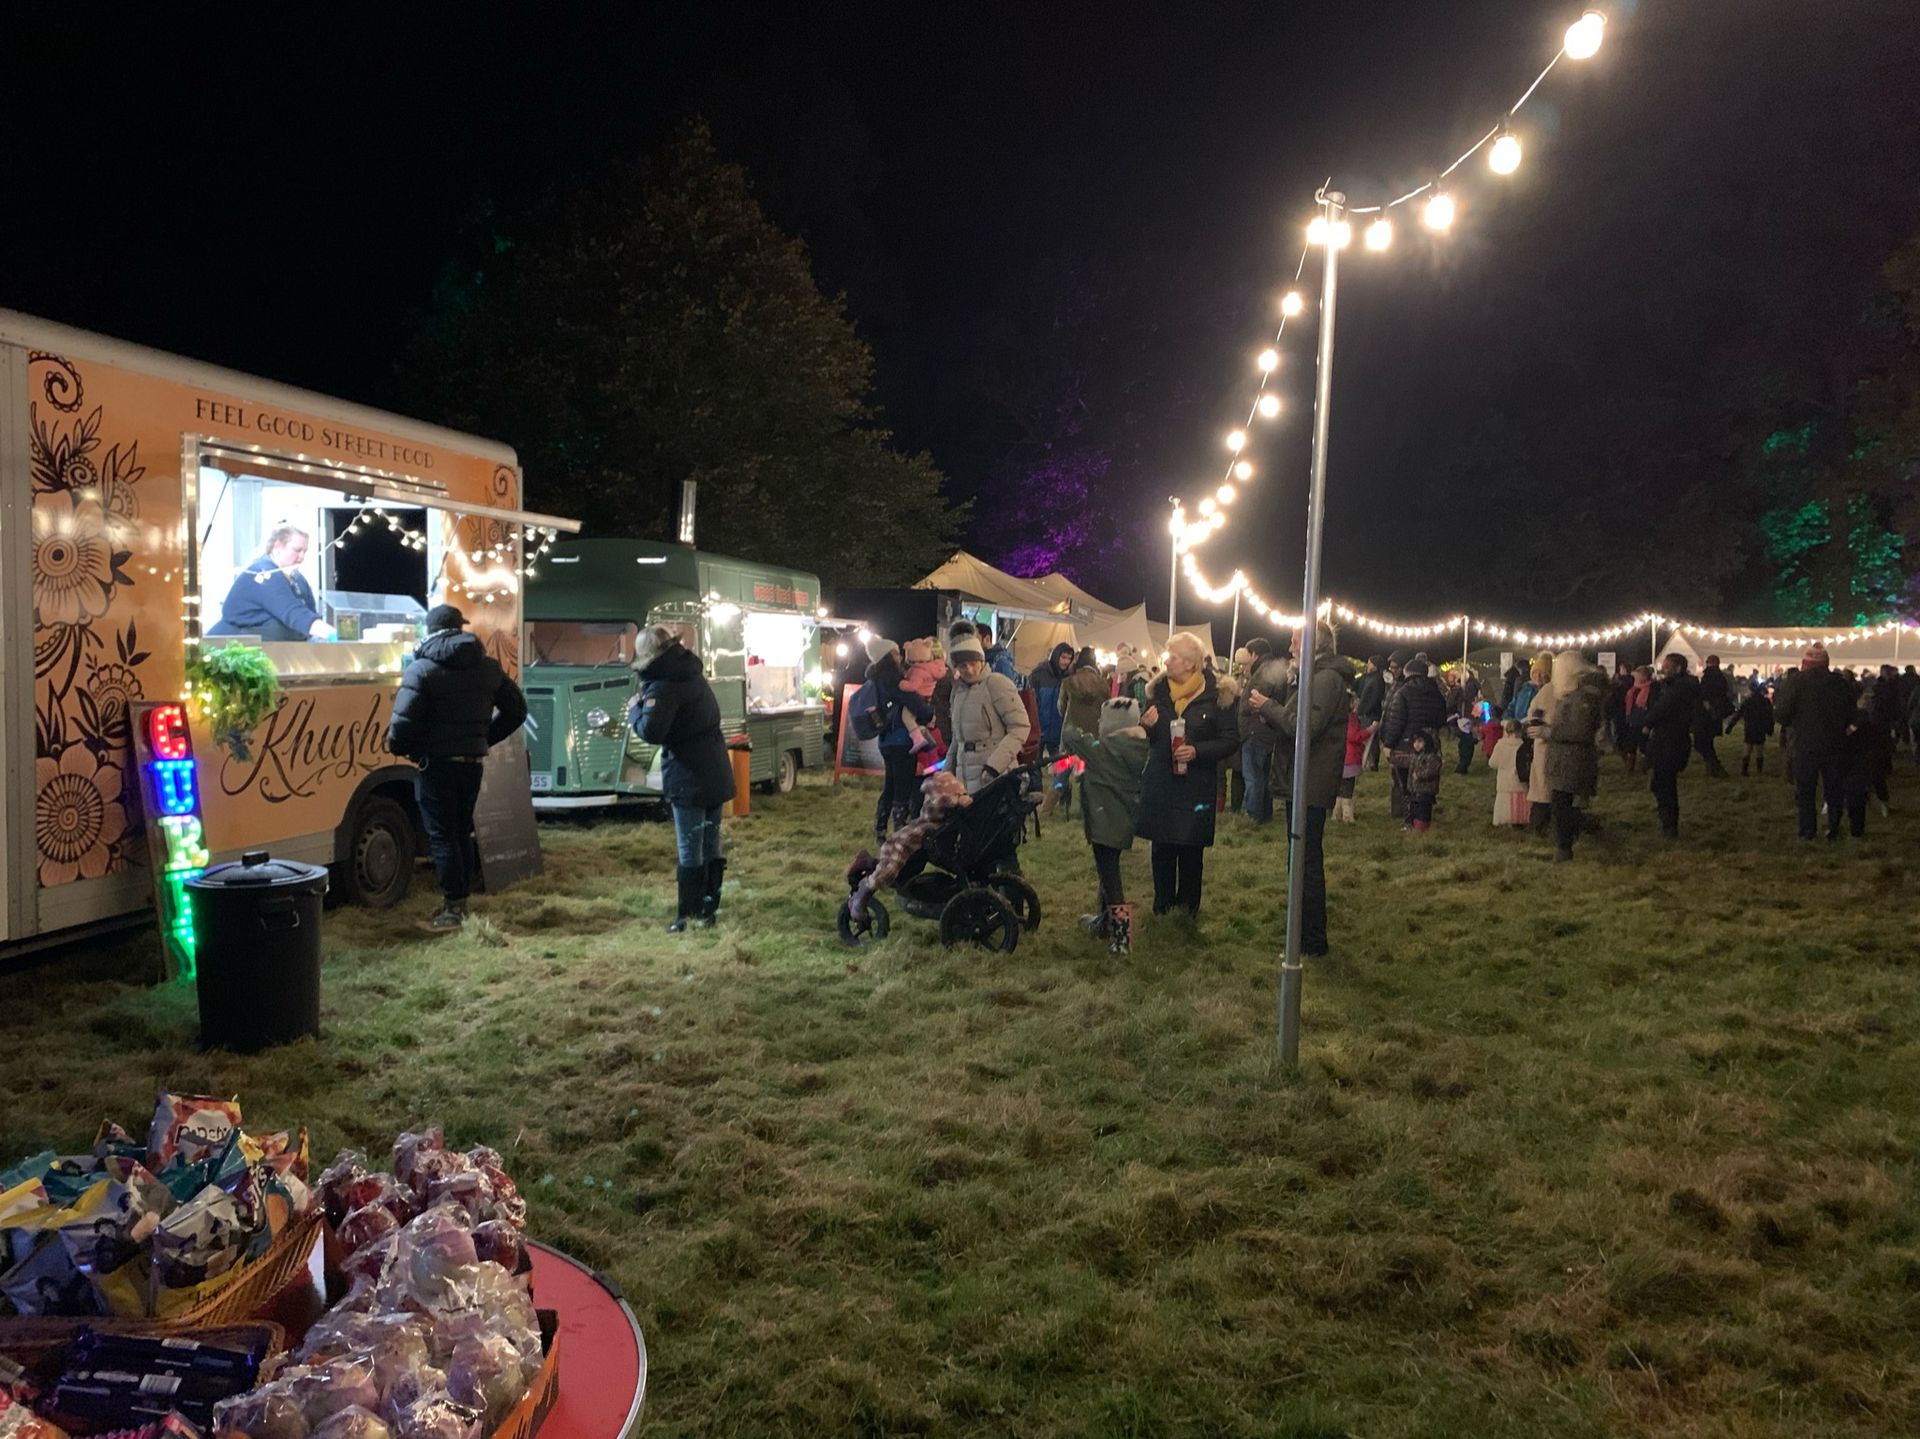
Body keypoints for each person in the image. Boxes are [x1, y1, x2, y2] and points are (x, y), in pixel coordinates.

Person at [387, 604, 529, 932]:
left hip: (435, 764)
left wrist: (408, 749)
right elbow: (517, 710)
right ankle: (460, 901)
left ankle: (453, 909)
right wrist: (481, 739)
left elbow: (402, 728)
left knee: (442, 836)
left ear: (430, 630)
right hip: (471, 764)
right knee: (461, 830)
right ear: (459, 628)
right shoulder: (489, 667)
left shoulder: (422, 669)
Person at [624, 622, 735, 931]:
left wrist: (635, 710)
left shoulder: (663, 685)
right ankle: (708, 911)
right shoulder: (693, 675)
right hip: (715, 770)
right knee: (711, 844)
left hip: (689, 775)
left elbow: (652, 731)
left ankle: (688, 916)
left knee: (690, 848)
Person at [1256, 622, 1349, 956]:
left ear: (1314, 645)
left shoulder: (1324, 680)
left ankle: (1309, 941)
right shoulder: (1318, 677)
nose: (1290, 647)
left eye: (1295, 641)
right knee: (1301, 861)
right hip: (1306, 780)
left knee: (1305, 864)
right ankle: (1303, 936)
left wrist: (1267, 707)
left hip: (1309, 782)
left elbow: (1303, 727)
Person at [1137, 633, 1239, 918]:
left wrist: (1197, 751)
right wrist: (1144, 725)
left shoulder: (1219, 695)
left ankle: (1188, 909)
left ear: (1191, 664)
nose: (1167, 661)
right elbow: (1147, 734)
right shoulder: (1157, 692)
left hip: (1196, 785)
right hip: (1162, 782)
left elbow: (1231, 739)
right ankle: (1162, 906)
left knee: (1191, 849)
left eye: (1174, 657)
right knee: (1162, 847)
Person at [1065, 697, 1152, 954]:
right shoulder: (1140, 746)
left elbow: (1070, 735)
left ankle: (1122, 938)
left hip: (1106, 820)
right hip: (1122, 817)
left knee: (1111, 879)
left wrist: (1073, 704)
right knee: (1107, 873)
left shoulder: (1104, 748)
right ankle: (1104, 922)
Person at [846, 771, 973, 924]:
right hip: (900, 846)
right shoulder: (923, 830)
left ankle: (868, 862)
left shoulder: (936, 826)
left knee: (904, 876)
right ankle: (862, 894)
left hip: (914, 851)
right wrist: (962, 800)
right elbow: (947, 800)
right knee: (889, 873)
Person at [1775, 644, 1858, 841]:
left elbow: (1782, 714)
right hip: (1835, 744)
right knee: (1834, 790)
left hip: (1806, 744)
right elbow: (1852, 715)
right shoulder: (1840, 683)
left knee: (1805, 791)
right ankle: (1833, 829)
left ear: (1806, 663)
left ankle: (1807, 831)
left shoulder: (1796, 682)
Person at [1531, 650, 1607, 861]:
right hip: (1565, 758)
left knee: (1563, 806)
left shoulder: (1584, 696)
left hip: (1572, 759)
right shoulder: (1574, 694)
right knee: (1562, 804)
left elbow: (1580, 730)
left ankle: (1565, 847)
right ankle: (1568, 842)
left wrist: (1549, 731)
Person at [206, 524, 336, 642]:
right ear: (277, 546)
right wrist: (334, 635)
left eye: (304, 551)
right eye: (297, 550)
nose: (301, 557)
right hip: (233, 651)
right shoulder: (262, 574)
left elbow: (309, 612)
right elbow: (294, 613)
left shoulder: (298, 579)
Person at [945, 632, 1031, 797]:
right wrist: (946, 773)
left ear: (982, 661)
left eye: (972, 663)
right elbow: (958, 739)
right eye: (963, 666)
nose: (969, 670)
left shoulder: (997, 684)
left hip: (995, 773)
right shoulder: (958, 692)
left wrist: (994, 766)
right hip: (964, 774)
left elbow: (1020, 727)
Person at [864, 636, 930, 845]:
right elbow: (919, 707)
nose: (898, 656)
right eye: (894, 653)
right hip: (902, 740)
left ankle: (881, 829)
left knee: (890, 785)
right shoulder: (895, 681)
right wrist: (930, 711)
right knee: (903, 787)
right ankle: (900, 833)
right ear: (886, 657)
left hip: (885, 741)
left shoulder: (873, 680)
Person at [1378, 656, 1448, 818]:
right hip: (1429, 744)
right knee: (1425, 782)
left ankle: (1405, 815)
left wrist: (1388, 744)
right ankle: (1423, 816)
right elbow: (1441, 719)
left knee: (1403, 783)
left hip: (1405, 745)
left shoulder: (1403, 692)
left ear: (1407, 673)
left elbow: (1396, 721)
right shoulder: (1436, 693)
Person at [1638, 652, 1699, 838]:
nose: (1663, 669)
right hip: (1671, 740)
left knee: (1664, 784)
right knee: (1662, 783)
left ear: (1677, 668)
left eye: (1666, 666)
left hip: (1670, 741)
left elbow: (1661, 709)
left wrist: (1648, 722)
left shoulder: (1678, 689)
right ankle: (1667, 822)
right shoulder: (1677, 687)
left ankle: (1669, 825)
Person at [1235, 638, 1287, 823]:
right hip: (1267, 731)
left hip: (1256, 731)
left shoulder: (1264, 672)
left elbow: (1255, 700)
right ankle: (1265, 814)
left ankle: (1253, 815)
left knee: (1254, 777)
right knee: (1263, 776)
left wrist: (1246, 705)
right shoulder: (1271, 668)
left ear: (1254, 654)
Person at [1843, 699, 1893, 835]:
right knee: (1877, 782)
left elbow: (1848, 738)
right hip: (1875, 761)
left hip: (1860, 762)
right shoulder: (1875, 726)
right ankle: (1883, 804)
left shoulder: (1853, 727)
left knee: (1857, 788)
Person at [1521, 654, 1556, 831]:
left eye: (1542, 673)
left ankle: (1539, 825)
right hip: (1534, 740)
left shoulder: (1549, 691)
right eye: (1536, 673)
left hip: (1543, 744)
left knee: (1543, 787)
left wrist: (1532, 723)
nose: (1539, 677)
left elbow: (1536, 714)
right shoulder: (1527, 689)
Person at [1029, 641, 1075, 759]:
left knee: (1060, 767)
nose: (1066, 661)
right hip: (1038, 729)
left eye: (1069, 658)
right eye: (1063, 657)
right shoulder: (1039, 674)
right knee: (1034, 766)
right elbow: (1031, 701)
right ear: (1056, 655)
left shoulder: (1069, 678)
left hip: (1058, 731)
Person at [1693, 653, 1732, 777]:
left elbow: (1704, 693)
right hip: (1715, 714)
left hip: (1705, 714)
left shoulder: (1709, 675)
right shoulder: (1721, 677)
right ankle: (1711, 768)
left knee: (1701, 742)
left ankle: (1714, 767)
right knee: (1708, 742)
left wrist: (1706, 704)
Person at [1338, 695, 1375, 824]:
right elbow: (1355, 736)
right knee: (1348, 789)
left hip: (1341, 759)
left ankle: (1337, 812)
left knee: (1340, 788)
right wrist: (1370, 730)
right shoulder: (1351, 719)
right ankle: (1347, 816)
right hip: (1350, 760)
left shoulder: (1338, 718)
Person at [1490, 719, 1529, 826]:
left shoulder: (1500, 745)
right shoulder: (1523, 746)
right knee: (1519, 802)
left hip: (1504, 781)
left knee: (1505, 803)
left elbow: (1492, 762)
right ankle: (1520, 821)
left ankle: (1504, 821)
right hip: (1519, 780)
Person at [1733, 680, 1775, 776]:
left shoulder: (1747, 701)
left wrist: (1730, 726)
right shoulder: (1765, 702)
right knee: (1759, 750)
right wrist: (1770, 728)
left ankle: (1744, 770)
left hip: (1749, 727)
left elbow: (1738, 714)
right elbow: (1770, 716)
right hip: (1760, 727)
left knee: (1747, 748)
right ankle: (1759, 771)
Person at [1403, 731, 1442, 832]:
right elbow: (1405, 760)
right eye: (1414, 741)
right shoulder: (1414, 755)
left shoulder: (1431, 756)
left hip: (1426, 790)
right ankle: (1412, 825)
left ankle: (1422, 827)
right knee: (1413, 808)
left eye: (1420, 741)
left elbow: (1432, 770)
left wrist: (1419, 775)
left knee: (1423, 810)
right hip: (1414, 789)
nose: (1416, 744)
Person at [1617, 665, 1654, 772]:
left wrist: (1649, 722)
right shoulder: (1633, 689)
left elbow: (1652, 705)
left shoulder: (1651, 688)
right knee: (1631, 744)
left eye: (1638, 676)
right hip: (1632, 720)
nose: (1636, 678)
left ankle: (1644, 766)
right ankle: (1631, 767)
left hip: (1644, 720)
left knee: (1643, 744)